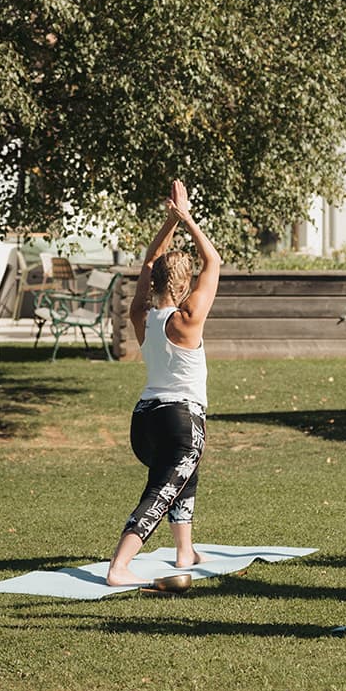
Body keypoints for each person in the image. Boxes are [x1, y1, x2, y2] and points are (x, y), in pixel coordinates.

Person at [106, 180, 222, 586]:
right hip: (181, 421)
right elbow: (214, 262)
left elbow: (149, 260)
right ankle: (119, 566)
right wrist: (187, 218)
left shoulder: (141, 314)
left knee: (183, 478)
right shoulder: (187, 318)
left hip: (144, 422)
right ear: (183, 286)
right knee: (161, 491)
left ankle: (184, 550)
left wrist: (169, 221)